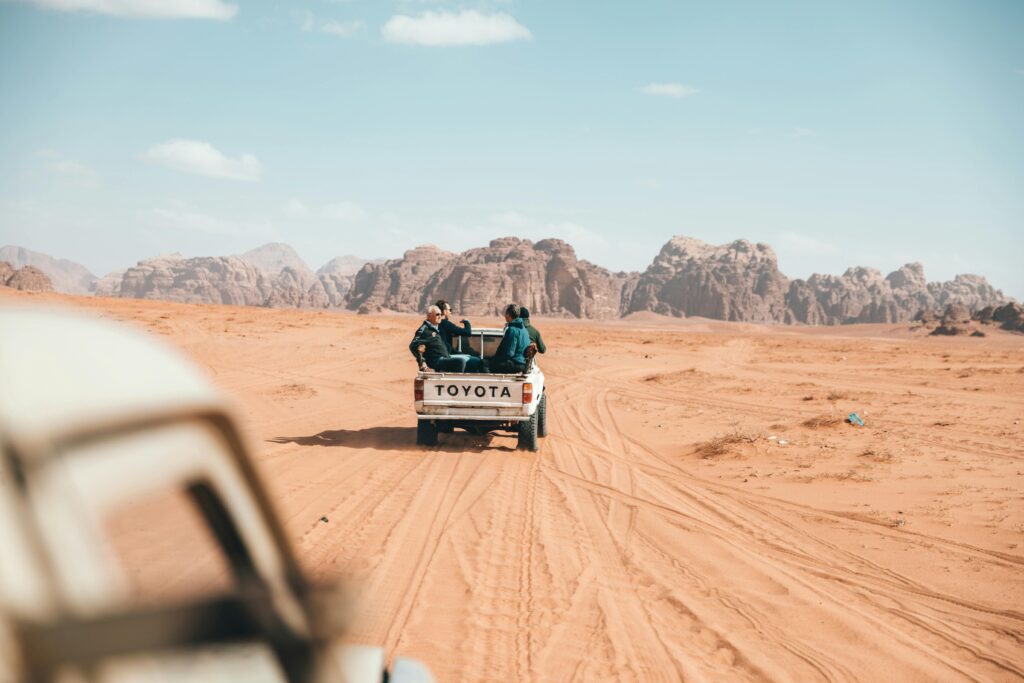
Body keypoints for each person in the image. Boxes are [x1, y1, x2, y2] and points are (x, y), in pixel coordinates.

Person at [409, 305, 468, 372]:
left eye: (440, 314)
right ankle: (455, 382)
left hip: (443, 359)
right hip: (436, 361)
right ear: (429, 316)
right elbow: (413, 345)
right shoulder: (424, 330)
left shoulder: (434, 328)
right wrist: (422, 362)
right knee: (460, 362)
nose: (440, 316)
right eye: (437, 314)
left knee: (470, 362)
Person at [486, 303, 531, 374]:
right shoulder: (524, 329)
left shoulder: (512, 329)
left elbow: (509, 353)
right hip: (522, 364)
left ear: (508, 315)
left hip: (515, 364)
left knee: (484, 364)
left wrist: (496, 359)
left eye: (505, 313)